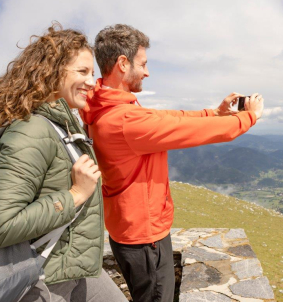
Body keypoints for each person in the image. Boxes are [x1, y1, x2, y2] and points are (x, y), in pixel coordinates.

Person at [80, 24, 264, 302]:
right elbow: (194, 132)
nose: (147, 71)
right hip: (145, 236)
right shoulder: (125, 121)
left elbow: (168, 118)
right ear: (122, 63)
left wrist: (214, 112)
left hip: (129, 230)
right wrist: (248, 117)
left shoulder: (105, 107)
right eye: (143, 64)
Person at [0, 23, 127, 302]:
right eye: (82, 72)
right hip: (43, 281)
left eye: (93, 74)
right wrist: (75, 194)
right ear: (52, 72)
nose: (91, 82)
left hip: (72, 268)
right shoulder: (32, 129)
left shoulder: (60, 124)